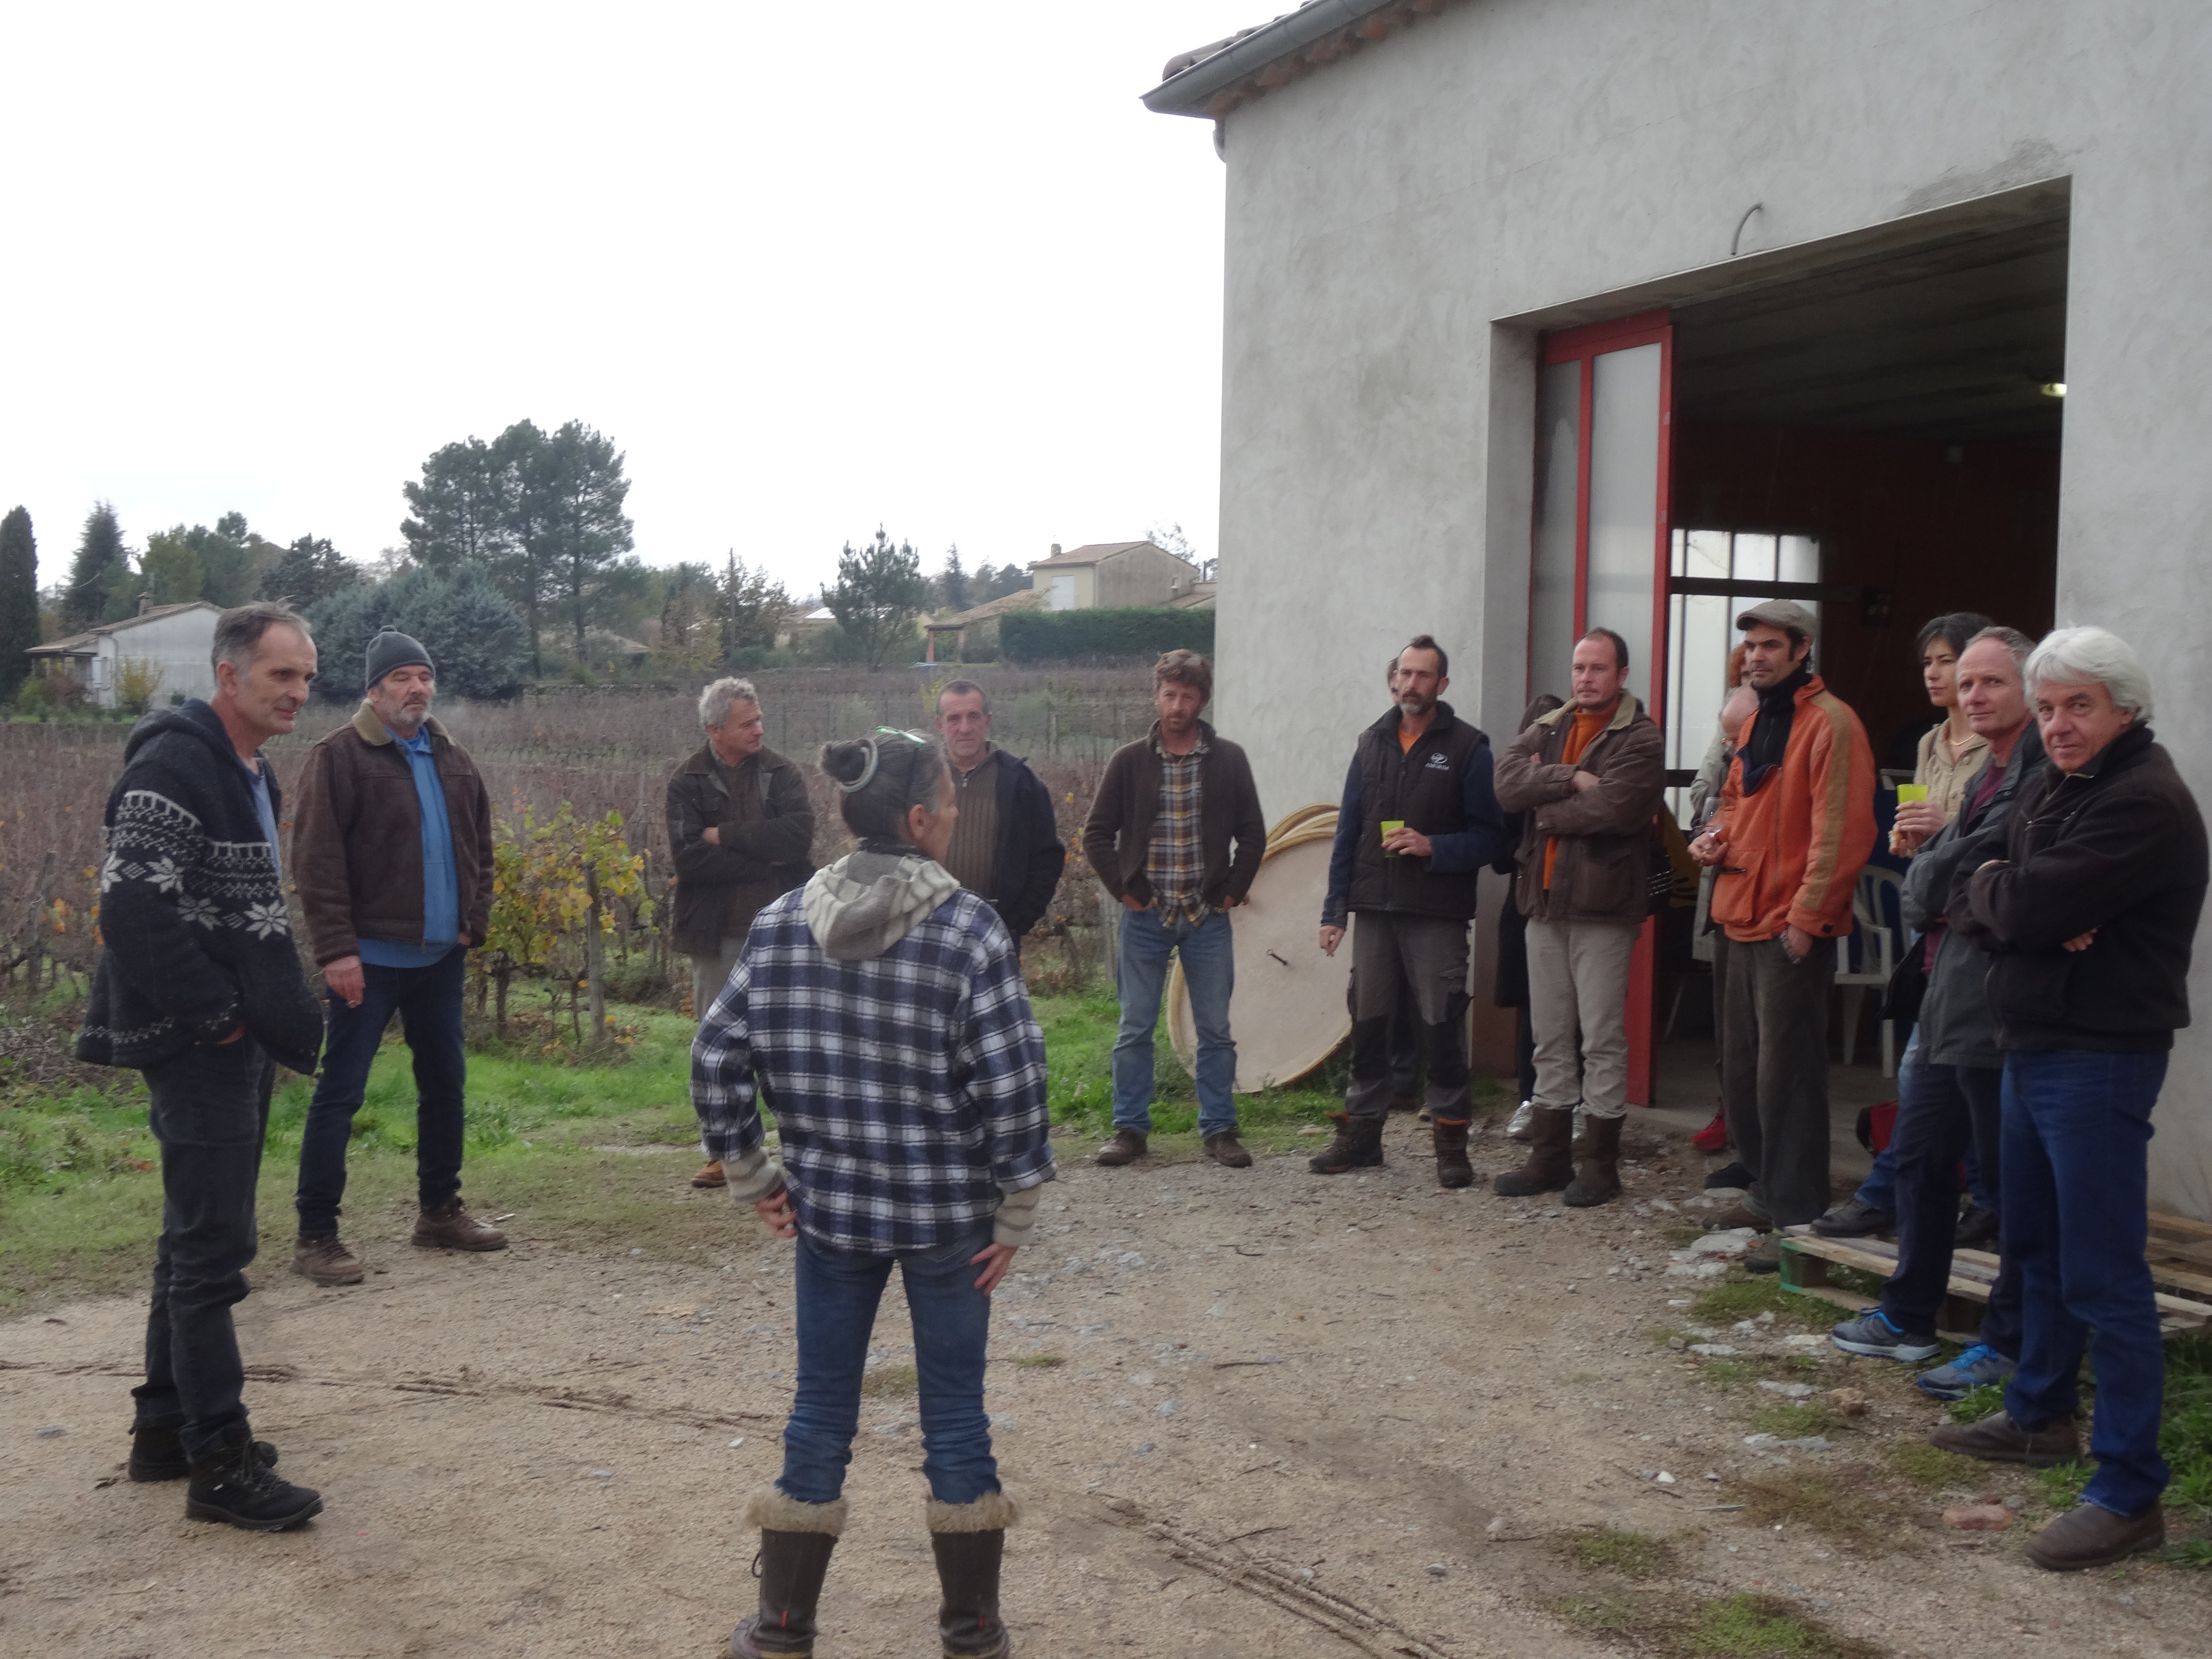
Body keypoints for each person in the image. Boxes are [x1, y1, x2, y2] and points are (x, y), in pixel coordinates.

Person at [693, 728, 1053, 1657]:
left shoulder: (781, 923)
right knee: (956, 1419)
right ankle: (972, 1631)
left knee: (819, 1413)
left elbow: (715, 1055)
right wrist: (1017, 1201)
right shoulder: (970, 930)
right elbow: (1013, 1082)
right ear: (921, 819)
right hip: (949, 1222)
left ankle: (781, 1629)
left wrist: (752, 1172)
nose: (959, 812)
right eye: (951, 801)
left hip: (830, 1215)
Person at [1932, 626, 2207, 1572]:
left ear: (2124, 709)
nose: (2057, 725)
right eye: (2046, 708)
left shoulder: (2141, 801)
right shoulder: (2059, 784)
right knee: (2035, 1245)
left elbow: (2021, 904)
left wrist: (2019, 906)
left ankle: (2128, 1491)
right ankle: (2040, 1414)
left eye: (2077, 706)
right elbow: (1968, 881)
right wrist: (2014, 901)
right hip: (2035, 1041)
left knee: (2103, 1275)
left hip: (2098, 1056)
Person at [76, 602, 328, 1531]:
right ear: (229, 675)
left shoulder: (249, 767)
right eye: (281, 675)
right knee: (213, 1252)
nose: (299, 692)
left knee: (191, 1238)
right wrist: (217, 1015)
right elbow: (130, 908)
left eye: (307, 677)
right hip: (199, 1042)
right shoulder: (175, 765)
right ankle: (220, 1461)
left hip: (233, 1035)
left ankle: (165, 1427)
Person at [1828, 627, 2037, 1396]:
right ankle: (1907, 1315)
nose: (1972, 695)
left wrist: (1943, 872)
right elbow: (1923, 887)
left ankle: (2007, 1342)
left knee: (2006, 1188)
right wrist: (1942, 872)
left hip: (1998, 1007)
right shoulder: (1987, 773)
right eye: (1965, 681)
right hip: (1946, 991)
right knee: (1917, 1158)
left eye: (1991, 682)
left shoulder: (2035, 777)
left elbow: (1980, 886)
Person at [289, 631, 501, 1283]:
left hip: (439, 957)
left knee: (445, 1086)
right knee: (341, 1093)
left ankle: (439, 1212)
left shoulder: (452, 757)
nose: (417, 689)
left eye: (424, 677)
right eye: (403, 678)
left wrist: (472, 924)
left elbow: (482, 848)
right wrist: (337, 950)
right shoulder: (339, 758)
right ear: (375, 690)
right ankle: (316, 1235)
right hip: (370, 960)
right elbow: (316, 861)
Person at [1688, 600, 1875, 1271]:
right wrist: (1715, 837)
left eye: (1771, 646)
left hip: (1787, 927)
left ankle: (1796, 1218)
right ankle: (1766, 1192)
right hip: (1739, 914)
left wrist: (1807, 919)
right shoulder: (1756, 721)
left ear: (1802, 651)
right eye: (1751, 647)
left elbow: (1842, 831)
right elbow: (1736, 802)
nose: (1756, 657)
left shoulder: (1832, 724)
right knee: (1741, 1073)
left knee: (1787, 1078)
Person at [1813, 609, 1999, 1239]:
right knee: (1947, 1064)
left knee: (1938, 1063)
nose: (1935, 674)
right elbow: (1918, 823)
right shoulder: (1928, 742)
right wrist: (1909, 836)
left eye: (1948, 661)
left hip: (1975, 918)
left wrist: (1942, 832)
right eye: (1929, 662)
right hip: (1929, 912)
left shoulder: (2004, 747)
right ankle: (1979, 1198)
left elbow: (1985, 835)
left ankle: (1893, 1193)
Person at [1314, 635, 1511, 1184]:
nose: (1411, 684)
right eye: (1404, 673)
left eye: (1423, 675)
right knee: (1368, 1024)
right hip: (1375, 909)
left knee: (1441, 1026)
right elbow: (1348, 833)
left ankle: (1451, 1143)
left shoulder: (1469, 748)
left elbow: (1494, 839)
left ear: (1441, 685)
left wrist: (1434, 847)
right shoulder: (1371, 743)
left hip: (1436, 912)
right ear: (1393, 679)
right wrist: (1334, 911)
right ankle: (1362, 1137)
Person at [1491, 628, 1665, 1206]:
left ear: (1622, 675)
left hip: (1603, 909)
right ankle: (1549, 1159)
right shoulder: (1550, 725)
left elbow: (1616, 809)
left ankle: (1600, 1166)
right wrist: (1567, 777)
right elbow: (1505, 784)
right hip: (1542, 905)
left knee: (1601, 1039)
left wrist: (1543, 812)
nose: (1585, 678)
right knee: (1549, 1037)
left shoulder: (1641, 737)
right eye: (1579, 667)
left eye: (1598, 668)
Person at [1082, 650, 1266, 1170]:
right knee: (1134, 1027)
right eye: (1170, 695)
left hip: (1206, 917)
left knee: (1215, 1029)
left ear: (1202, 701)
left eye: (1188, 696)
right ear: (1156, 696)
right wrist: (1124, 890)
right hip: (1146, 915)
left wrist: (1232, 891)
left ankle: (1219, 1129)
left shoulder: (1229, 759)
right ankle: (1130, 1130)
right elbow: (1097, 834)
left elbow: (1253, 833)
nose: (1178, 706)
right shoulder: (1129, 761)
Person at [667, 677, 815, 1188]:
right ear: (716, 730)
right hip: (717, 934)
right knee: (717, 1048)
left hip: (783, 933)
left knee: (791, 1043)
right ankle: (724, 1154)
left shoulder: (781, 772)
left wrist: (725, 836)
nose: (759, 730)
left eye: (759, 720)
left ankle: (805, 1146)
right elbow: (690, 860)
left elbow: (798, 840)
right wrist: (764, 859)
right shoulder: (687, 781)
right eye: (747, 723)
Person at [932, 679, 1067, 950]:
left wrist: (1017, 922)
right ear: (940, 725)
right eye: (954, 719)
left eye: (974, 717)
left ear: (988, 721)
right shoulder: (921, 781)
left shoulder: (1020, 782)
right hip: (929, 929)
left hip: (996, 932)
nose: (965, 728)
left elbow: (1047, 857)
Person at [1691, 669, 1758, 1168]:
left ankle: (1760, 1147)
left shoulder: (1804, 738)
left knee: (1761, 1034)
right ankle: (1731, 1114)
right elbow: (1702, 794)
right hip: (1725, 898)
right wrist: (1727, 748)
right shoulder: (1728, 737)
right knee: (1728, 1027)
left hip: (1771, 910)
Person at [1498, 693, 1566, 1141]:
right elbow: (1499, 856)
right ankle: (1530, 1099)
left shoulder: (1575, 779)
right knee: (1532, 1011)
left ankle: (1572, 1106)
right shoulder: (1513, 788)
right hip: (1524, 907)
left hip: (1574, 905)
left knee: (1575, 1015)